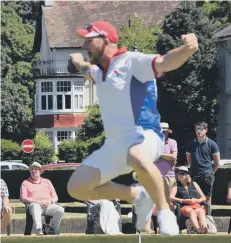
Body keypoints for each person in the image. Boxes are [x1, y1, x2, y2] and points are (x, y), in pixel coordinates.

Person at [67, 20, 199, 235]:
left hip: (145, 135)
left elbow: (166, 61)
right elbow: (85, 69)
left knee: (136, 155)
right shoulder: (100, 72)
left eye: (89, 40)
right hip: (115, 145)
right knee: (77, 187)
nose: (85, 45)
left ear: (106, 40)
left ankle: (164, 213)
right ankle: (137, 195)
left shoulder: (132, 61)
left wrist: (188, 49)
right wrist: (78, 61)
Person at [20, 162, 64, 235]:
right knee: (35, 206)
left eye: (36, 169)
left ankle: (53, 228)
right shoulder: (25, 183)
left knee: (60, 209)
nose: (33, 171)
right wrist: (37, 202)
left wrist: (50, 202)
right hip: (34, 205)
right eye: (32, 169)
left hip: (48, 205)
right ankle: (39, 229)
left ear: (40, 171)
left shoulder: (47, 182)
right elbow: (23, 197)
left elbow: (55, 196)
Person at [186, 121, 220, 204]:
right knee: (195, 196)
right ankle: (198, 215)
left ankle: (208, 215)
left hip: (207, 174)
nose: (198, 131)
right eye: (197, 129)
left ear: (206, 130)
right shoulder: (191, 143)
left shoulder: (212, 144)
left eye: (201, 129)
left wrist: (211, 173)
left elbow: (217, 163)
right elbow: (189, 159)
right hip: (194, 174)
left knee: (207, 197)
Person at [170, 166, 208, 234]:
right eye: (178, 173)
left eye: (182, 173)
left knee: (200, 211)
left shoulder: (194, 184)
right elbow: (171, 197)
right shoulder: (176, 185)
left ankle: (204, 228)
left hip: (196, 204)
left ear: (187, 175)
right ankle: (198, 229)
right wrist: (183, 200)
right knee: (191, 211)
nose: (180, 175)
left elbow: (204, 197)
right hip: (184, 206)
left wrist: (197, 200)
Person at [155, 122, 178, 203]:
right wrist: (167, 158)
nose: (162, 133)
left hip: (170, 175)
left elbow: (174, 157)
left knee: (169, 201)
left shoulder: (173, 142)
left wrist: (159, 155)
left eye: (164, 131)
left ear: (168, 132)